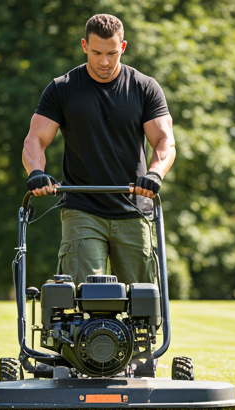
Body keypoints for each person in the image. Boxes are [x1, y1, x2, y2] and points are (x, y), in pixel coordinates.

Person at [22, 13, 175, 286]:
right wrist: (36, 171)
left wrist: (155, 174)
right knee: (87, 296)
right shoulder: (63, 89)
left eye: (111, 53)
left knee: (143, 301)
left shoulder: (144, 87)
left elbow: (165, 141)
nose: (104, 62)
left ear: (123, 47)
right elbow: (36, 139)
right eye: (96, 53)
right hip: (83, 209)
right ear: (84, 46)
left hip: (134, 208)